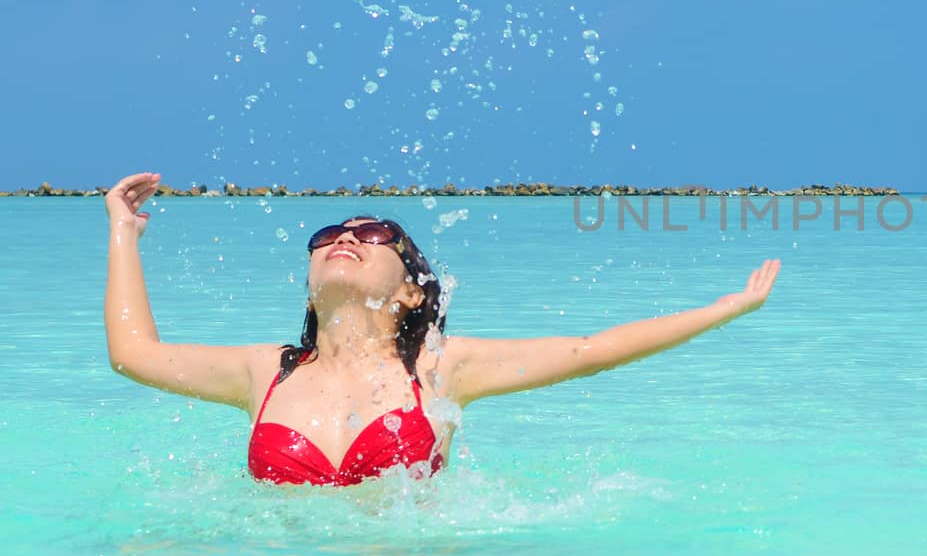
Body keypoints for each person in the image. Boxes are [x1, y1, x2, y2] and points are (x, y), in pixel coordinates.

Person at [103, 171, 781, 487]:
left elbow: (588, 352)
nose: (347, 237)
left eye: (374, 233)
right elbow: (134, 356)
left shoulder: (437, 368)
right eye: (330, 234)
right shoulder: (267, 372)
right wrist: (124, 232)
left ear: (408, 288)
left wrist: (725, 308)